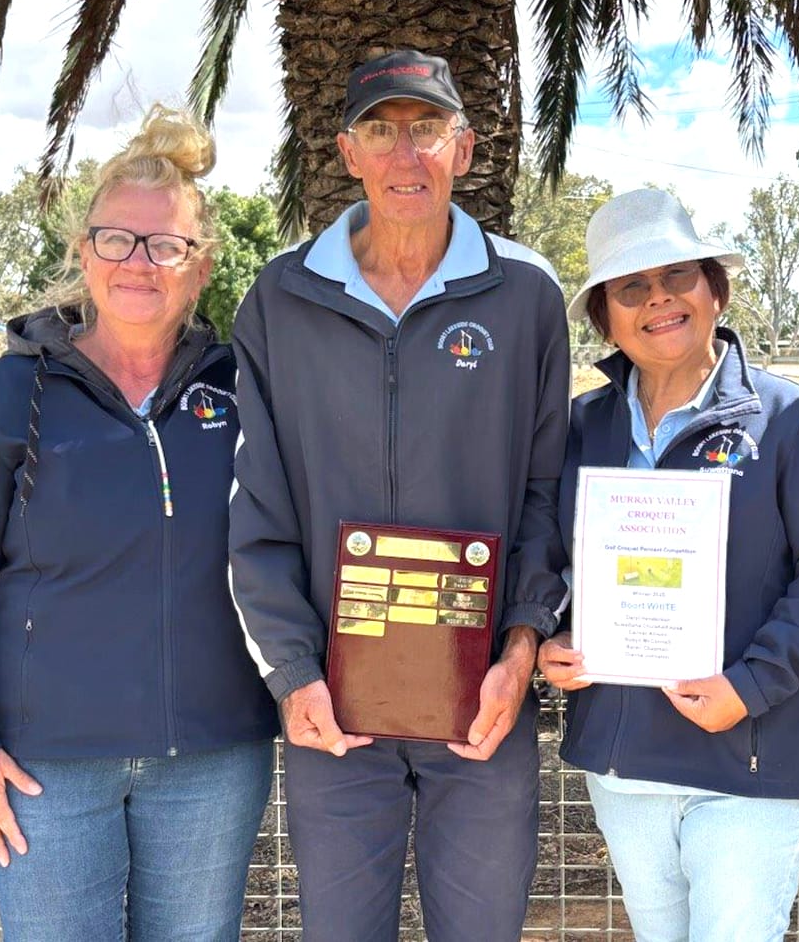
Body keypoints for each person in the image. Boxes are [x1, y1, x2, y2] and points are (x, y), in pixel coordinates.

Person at [228, 49, 570, 941]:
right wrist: (294, 672)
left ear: (464, 148)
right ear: (347, 151)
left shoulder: (525, 294)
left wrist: (522, 645)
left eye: (427, 130)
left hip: (484, 700)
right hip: (334, 712)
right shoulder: (281, 297)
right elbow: (256, 507)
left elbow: (545, 490)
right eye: (381, 130)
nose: (404, 154)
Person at [0, 105, 279, 941]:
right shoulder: (7, 398)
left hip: (215, 758)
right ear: (85, 252)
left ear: (201, 264)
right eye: (117, 238)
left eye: (165, 244)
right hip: (45, 766)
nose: (138, 262)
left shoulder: (244, 394)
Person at [537, 189, 799, 942]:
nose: (657, 298)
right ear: (605, 318)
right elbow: (552, 555)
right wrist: (552, 634)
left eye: (677, 276)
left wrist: (748, 685)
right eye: (630, 287)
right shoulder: (580, 427)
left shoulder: (789, 420)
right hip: (623, 766)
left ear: (714, 289)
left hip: (748, 757)